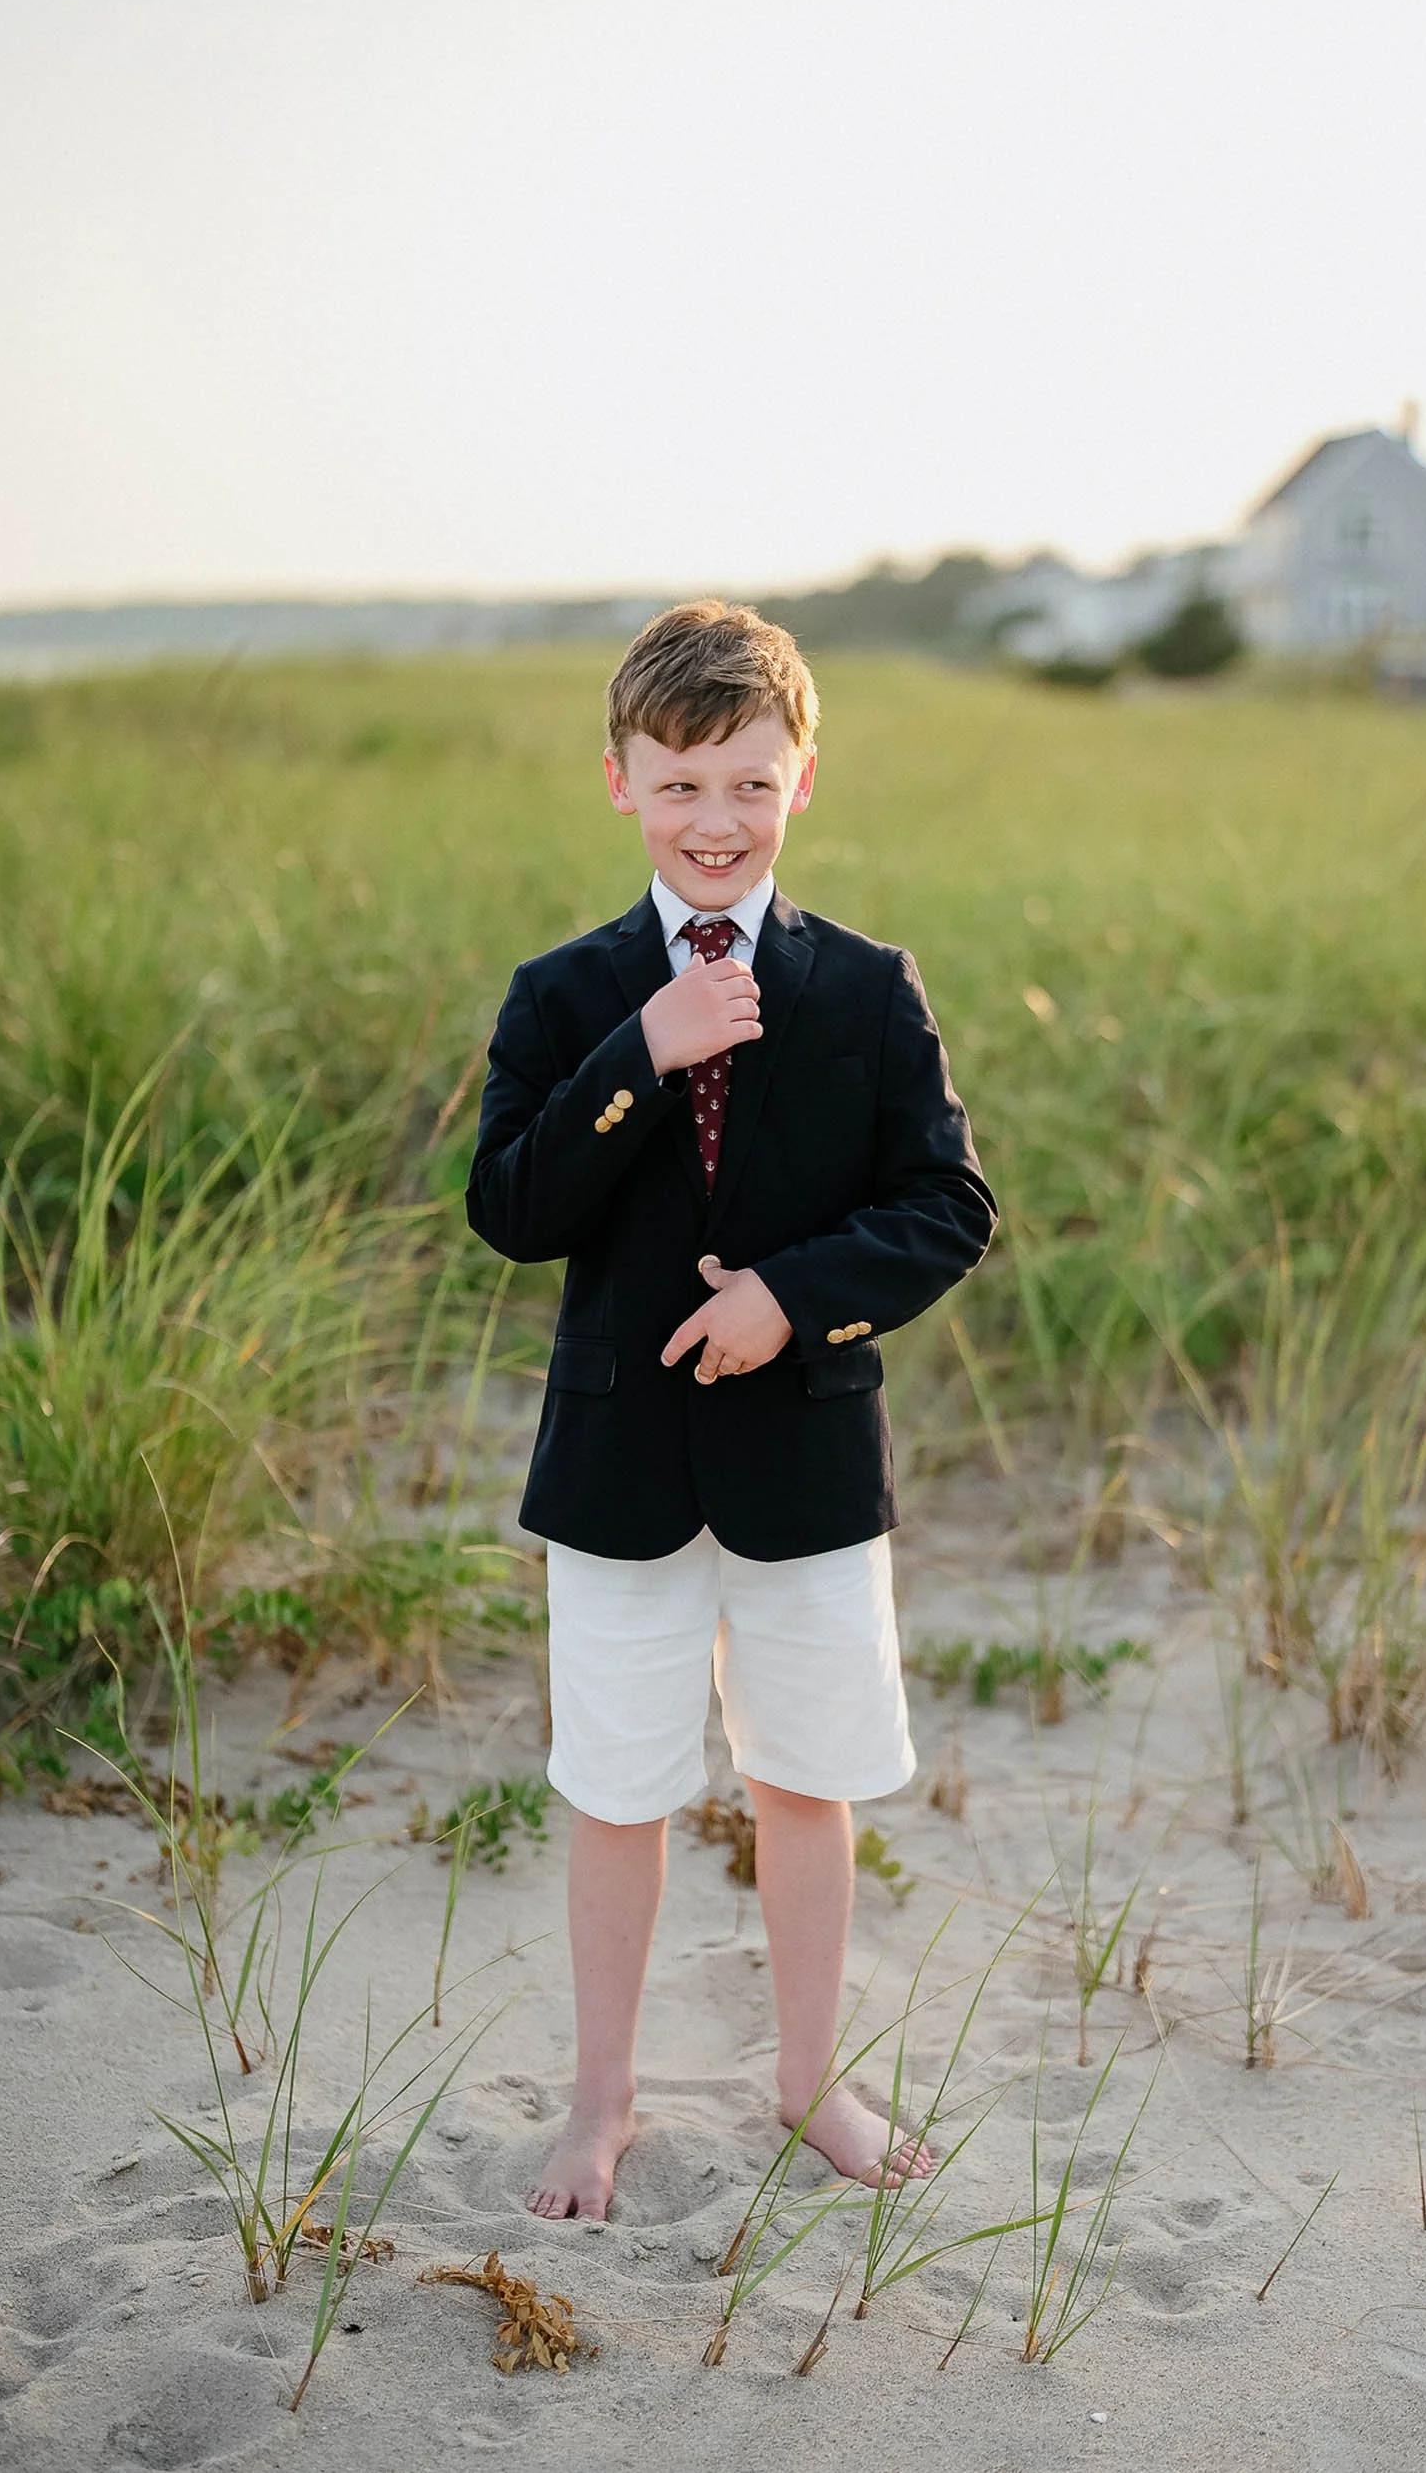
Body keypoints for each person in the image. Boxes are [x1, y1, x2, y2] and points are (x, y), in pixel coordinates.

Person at [466, 600, 996, 2220]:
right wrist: (644, 1046)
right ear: (619, 781)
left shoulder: (864, 986)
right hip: (618, 1469)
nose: (717, 821)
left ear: (802, 782)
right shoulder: (567, 997)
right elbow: (512, 1208)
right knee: (616, 1788)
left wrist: (791, 1293)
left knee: (805, 1780)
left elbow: (944, 1205)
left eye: (749, 785)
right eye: (682, 784)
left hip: (805, 1457)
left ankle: (808, 2080)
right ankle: (602, 2101)